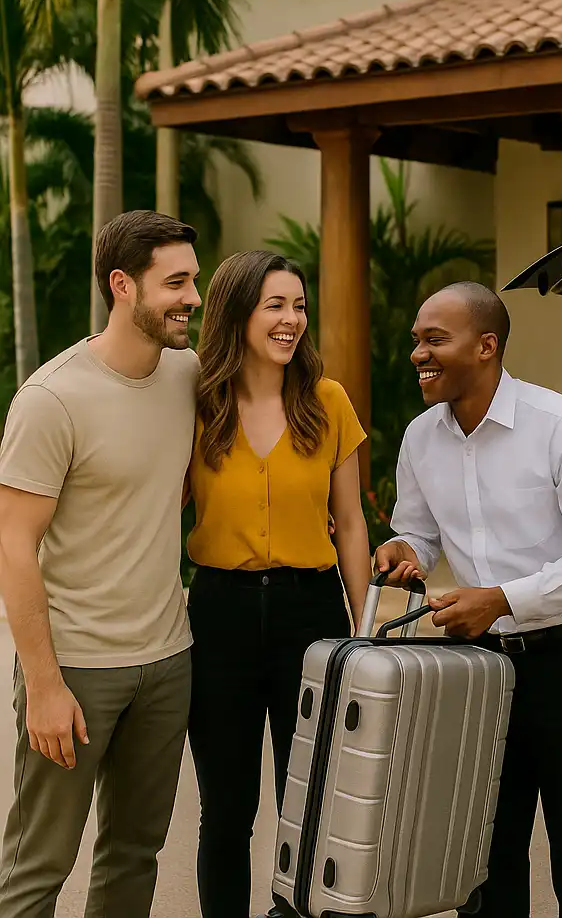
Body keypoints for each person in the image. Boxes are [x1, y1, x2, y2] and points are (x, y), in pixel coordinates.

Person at [374, 281, 562, 918]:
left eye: (435, 340)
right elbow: (421, 532)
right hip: (481, 669)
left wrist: (503, 599)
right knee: (484, 861)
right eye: (416, 341)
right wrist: (404, 551)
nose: (418, 355)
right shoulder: (419, 438)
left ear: (486, 346)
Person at [0, 210, 202, 918]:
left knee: (134, 855)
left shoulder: (187, 375)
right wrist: (44, 683)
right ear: (123, 286)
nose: (193, 299)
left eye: (194, 281)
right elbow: (13, 546)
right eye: (175, 283)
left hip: (167, 659)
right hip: (78, 666)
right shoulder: (52, 399)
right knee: (38, 863)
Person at [185, 250, 371, 918]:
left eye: (299, 305)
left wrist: (362, 632)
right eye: (276, 305)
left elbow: (350, 523)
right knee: (227, 812)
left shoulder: (328, 401)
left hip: (310, 614)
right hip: (219, 620)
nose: (292, 319)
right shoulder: (197, 403)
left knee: (313, 804)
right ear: (237, 313)